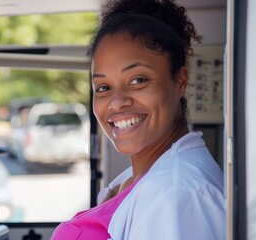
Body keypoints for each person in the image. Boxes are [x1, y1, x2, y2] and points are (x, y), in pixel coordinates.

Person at [50, 0, 226, 239]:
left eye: (137, 80)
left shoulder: (175, 193)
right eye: (103, 87)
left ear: (180, 81)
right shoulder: (146, 176)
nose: (116, 102)